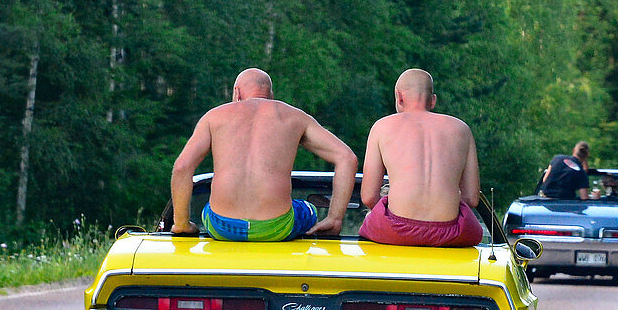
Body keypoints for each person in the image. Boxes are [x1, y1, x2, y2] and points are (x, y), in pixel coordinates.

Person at [170, 68, 357, 241]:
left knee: (207, 211)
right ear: (271, 96)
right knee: (309, 210)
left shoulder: (213, 117)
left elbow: (182, 167)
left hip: (222, 226)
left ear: (236, 92)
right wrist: (335, 218)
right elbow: (347, 158)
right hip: (276, 227)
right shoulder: (295, 117)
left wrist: (181, 224)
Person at [358, 68, 483, 247]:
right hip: (450, 233)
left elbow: (369, 197)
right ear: (433, 101)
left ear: (399, 97)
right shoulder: (461, 129)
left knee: (371, 220)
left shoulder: (381, 127)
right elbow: (471, 198)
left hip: (395, 230)